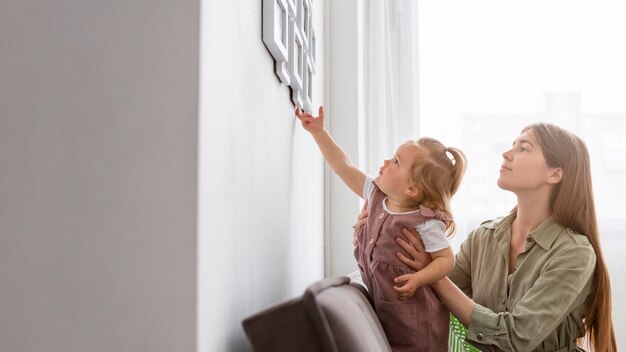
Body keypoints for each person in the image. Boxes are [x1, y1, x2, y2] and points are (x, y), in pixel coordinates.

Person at [356, 123, 617, 351]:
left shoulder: (574, 253)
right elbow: (421, 299)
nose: (507, 152)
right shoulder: (483, 237)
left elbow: (515, 339)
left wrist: (433, 273)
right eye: (513, 144)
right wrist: (371, 235)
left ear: (555, 174)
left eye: (523, 148)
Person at [296, 106, 467, 351]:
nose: (386, 161)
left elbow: (446, 260)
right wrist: (319, 133)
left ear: (412, 189)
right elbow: (344, 166)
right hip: (384, 310)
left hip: (417, 322)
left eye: (396, 162)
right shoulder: (375, 194)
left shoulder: (425, 222)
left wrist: (419, 278)